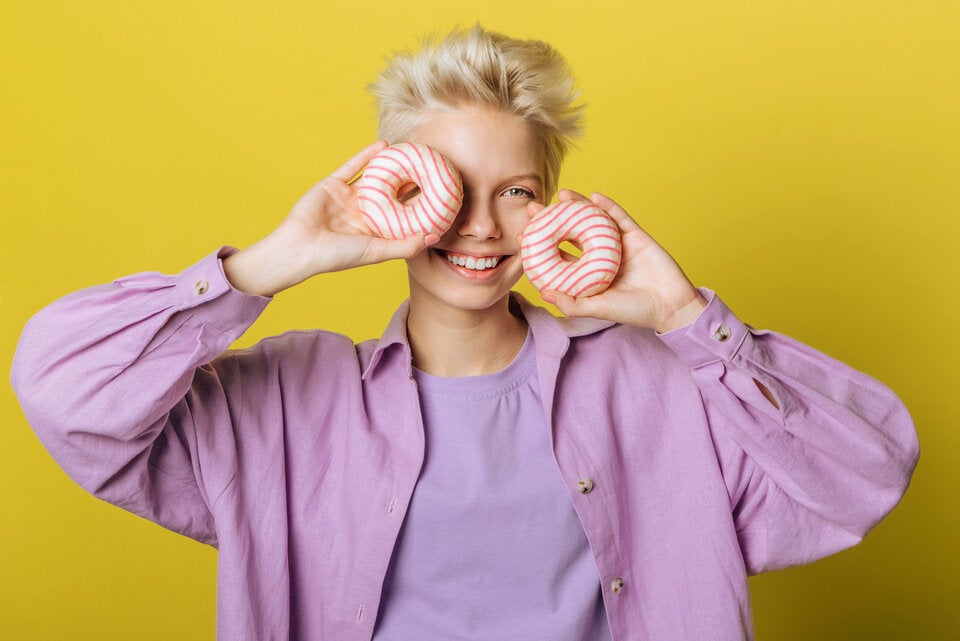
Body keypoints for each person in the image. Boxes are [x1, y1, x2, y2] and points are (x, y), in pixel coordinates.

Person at [11, 25, 918, 641]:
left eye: (515, 192)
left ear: (549, 203)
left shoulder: (656, 387)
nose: (481, 226)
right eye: (450, 185)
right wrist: (269, 263)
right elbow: (61, 389)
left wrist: (688, 319)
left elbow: (869, 470)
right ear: (396, 188)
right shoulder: (283, 404)